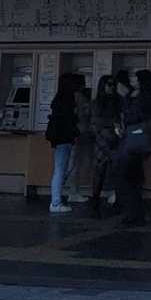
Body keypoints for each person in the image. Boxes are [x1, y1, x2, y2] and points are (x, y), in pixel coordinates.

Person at [114, 68, 151, 226]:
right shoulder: (149, 94)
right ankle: (137, 213)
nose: (133, 80)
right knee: (134, 177)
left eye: (135, 78)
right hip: (140, 141)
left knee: (128, 177)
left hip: (134, 141)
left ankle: (133, 214)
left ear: (141, 80)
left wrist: (126, 99)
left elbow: (133, 115)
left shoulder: (143, 96)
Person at [89, 71, 127, 217]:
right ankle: (95, 200)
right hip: (103, 140)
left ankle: (115, 200)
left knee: (116, 171)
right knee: (100, 172)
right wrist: (113, 124)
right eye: (109, 84)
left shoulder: (119, 100)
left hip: (113, 139)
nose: (112, 87)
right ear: (103, 86)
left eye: (114, 85)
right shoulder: (97, 103)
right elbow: (94, 121)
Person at [45, 73, 82, 214]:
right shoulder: (67, 101)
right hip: (64, 138)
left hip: (59, 138)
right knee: (61, 169)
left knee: (62, 168)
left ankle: (56, 199)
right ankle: (55, 202)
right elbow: (69, 121)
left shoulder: (58, 99)